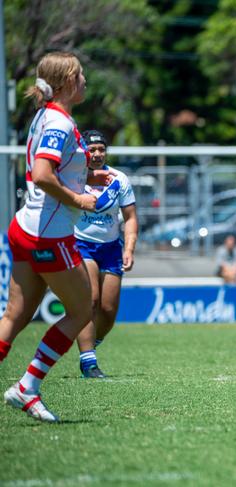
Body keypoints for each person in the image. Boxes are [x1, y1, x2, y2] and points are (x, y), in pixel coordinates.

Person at [0, 52, 111, 422]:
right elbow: (44, 175)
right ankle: (27, 388)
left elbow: (51, 169)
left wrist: (85, 179)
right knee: (82, 309)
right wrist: (80, 198)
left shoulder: (52, 116)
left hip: (26, 228)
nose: (84, 80)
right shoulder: (58, 123)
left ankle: (26, 390)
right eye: (79, 75)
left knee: (14, 317)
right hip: (48, 235)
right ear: (65, 82)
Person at [74, 130, 138, 378]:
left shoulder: (119, 179)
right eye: (92, 149)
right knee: (90, 300)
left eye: (101, 149)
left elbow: (131, 218)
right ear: (83, 152)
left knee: (109, 310)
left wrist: (129, 248)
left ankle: (90, 344)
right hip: (81, 244)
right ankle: (88, 361)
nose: (97, 154)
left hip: (111, 248)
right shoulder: (73, 178)